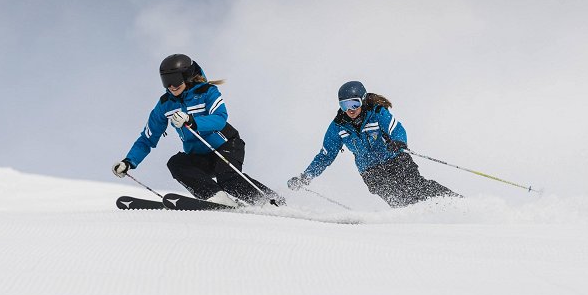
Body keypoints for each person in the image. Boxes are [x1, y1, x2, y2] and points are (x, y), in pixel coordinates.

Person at [113, 54, 281, 207]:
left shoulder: (207, 92)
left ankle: (271, 201)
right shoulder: (165, 104)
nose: (171, 86)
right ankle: (216, 197)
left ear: (186, 76)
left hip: (226, 146)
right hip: (200, 154)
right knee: (177, 163)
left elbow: (220, 118)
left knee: (228, 179)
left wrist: (192, 121)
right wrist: (129, 162)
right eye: (166, 81)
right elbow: (147, 138)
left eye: (175, 80)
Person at [287, 81, 459, 207]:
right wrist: (306, 177)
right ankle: (422, 222)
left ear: (362, 100)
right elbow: (325, 156)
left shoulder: (377, 113)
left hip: (394, 159)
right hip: (370, 171)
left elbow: (396, 128)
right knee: (397, 199)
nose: (350, 109)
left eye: (354, 103)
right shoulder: (338, 127)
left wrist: (399, 142)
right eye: (344, 105)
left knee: (415, 187)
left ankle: (454, 203)